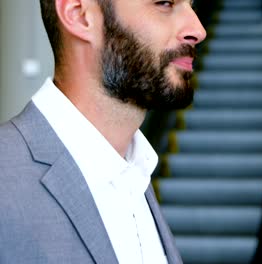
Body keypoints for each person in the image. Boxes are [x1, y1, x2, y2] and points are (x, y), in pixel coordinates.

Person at [0, 0, 206, 263]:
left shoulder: (134, 174)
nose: (198, 29)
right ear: (79, 15)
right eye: (164, 3)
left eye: (191, 4)